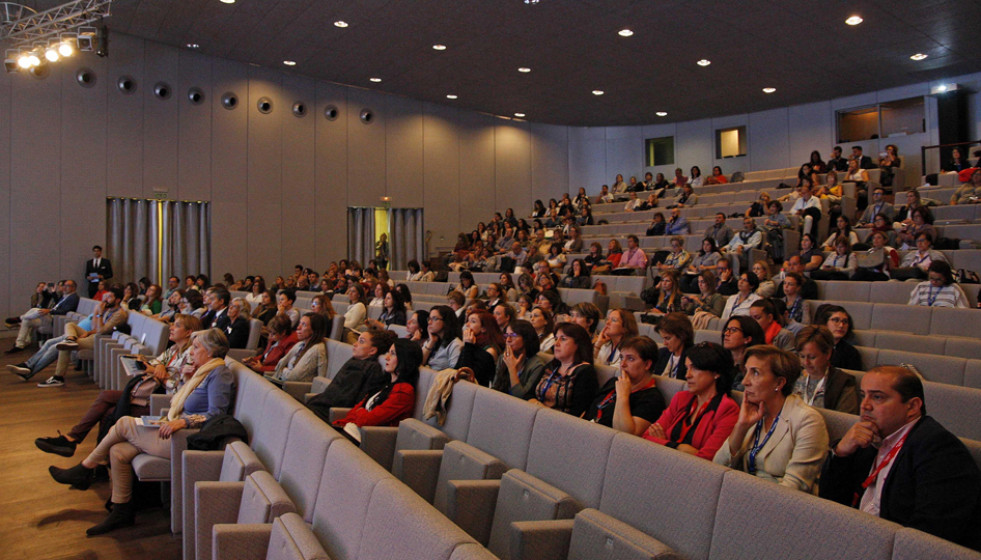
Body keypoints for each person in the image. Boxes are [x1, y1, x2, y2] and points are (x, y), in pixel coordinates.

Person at [48, 328, 234, 535]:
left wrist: (185, 422)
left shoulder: (220, 373)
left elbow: (217, 414)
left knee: (124, 423)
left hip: (189, 440)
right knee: (118, 451)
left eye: (197, 347)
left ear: (210, 351)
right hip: (173, 430)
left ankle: (86, 468)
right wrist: (184, 379)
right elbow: (181, 400)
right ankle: (122, 511)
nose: (191, 352)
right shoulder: (202, 372)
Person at [819, 366, 981, 548]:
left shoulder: (940, 451)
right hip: (857, 538)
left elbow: (928, 540)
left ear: (912, 407)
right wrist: (841, 453)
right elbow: (831, 502)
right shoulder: (869, 437)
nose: (865, 405)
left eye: (877, 397)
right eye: (863, 395)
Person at [34, 314, 202, 458]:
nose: (171, 327)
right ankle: (87, 452)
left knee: (107, 401)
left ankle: (76, 442)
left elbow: (179, 387)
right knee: (107, 407)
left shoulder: (190, 357)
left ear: (188, 332)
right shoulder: (173, 349)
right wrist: (156, 367)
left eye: (177, 326)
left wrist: (159, 373)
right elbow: (154, 363)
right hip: (149, 394)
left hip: (161, 401)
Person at [714, 345, 829, 493]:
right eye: (746, 372)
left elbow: (793, 489)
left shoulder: (808, 421)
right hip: (741, 496)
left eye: (755, 373)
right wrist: (741, 426)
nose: (744, 382)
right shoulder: (754, 412)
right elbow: (717, 468)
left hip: (777, 507)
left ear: (779, 383)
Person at [8, 285, 129, 387]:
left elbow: (102, 331)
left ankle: (55, 376)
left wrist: (99, 314)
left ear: (117, 300)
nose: (106, 299)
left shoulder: (119, 314)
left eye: (110, 297)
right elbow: (95, 327)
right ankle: (29, 364)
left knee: (59, 346)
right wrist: (91, 328)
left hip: (100, 340)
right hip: (94, 335)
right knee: (60, 333)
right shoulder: (109, 309)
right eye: (106, 296)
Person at [644, 341, 739, 460]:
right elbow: (647, 436)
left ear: (716, 373)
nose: (687, 375)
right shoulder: (681, 398)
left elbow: (708, 459)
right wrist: (678, 447)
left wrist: (663, 443)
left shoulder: (727, 409)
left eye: (694, 368)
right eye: (687, 368)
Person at [306, 329, 397, 422]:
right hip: (322, 405)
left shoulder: (372, 368)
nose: (355, 344)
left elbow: (357, 401)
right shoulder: (353, 360)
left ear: (372, 350)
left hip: (331, 413)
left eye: (361, 342)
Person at [332, 338, 422, 433]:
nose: (386, 357)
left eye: (393, 354)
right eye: (388, 352)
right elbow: (353, 412)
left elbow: (367, 421)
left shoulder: (404, 391)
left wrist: (360, 412)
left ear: (405, 359)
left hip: (369, 438)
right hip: (350, 428)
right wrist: (361, 413)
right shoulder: (384, 383)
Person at [584, 336, 665, 435]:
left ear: (647, 364)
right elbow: (588, 412)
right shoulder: (614, 382)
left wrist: (622, 397)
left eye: (630, 359)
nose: (622, 364)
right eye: (621, 357)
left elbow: (625, 436)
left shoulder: (652, 399)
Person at [528, 322, 598, 417]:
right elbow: (529, 395)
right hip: (537, 416)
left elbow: (578, 413)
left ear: (578, 344)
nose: (556, 344)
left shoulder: (585, 372)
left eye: (563, 339)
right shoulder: (552, 366)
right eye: (556, 339)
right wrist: (539, 408)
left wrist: (543, 412)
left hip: (561, 424)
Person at [793, 325, 858, 414]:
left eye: (812, 357)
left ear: (828, 353)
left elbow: (843, 421)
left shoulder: (843, 383)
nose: (806, 362)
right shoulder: (794, 376)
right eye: (802, 356)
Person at [6, 279, 79, 353]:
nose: (64, 287)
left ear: (73, 287)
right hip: (49, 318)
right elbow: (54, 302)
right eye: (64, 285)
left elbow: (66, 311)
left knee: (38, 310)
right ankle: (19, 345)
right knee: (27, 321)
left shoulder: (73, 298)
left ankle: (20, 318)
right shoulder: (65, 296)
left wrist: (49, 310)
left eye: (67, 286)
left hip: (55, 320)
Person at [492, 319, 547, 400]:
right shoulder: (503, 358)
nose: (508, 340)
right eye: (506, 335)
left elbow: (522, 398)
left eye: (513, 335)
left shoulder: (537, 365)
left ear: (526, 338)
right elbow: (495, 388)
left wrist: (512, 369)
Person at [267, 313, 328, 384]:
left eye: (304, 325)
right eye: (300, 323)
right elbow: (279, 366)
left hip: (296, 390)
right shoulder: (300, 344)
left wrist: (283, 370)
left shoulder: (317, 348)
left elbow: (293, 377)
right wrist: (283, 370)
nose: (298, 327)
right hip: (284, 384)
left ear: (314, 330)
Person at [456, 310, 505, 386]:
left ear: (483, 328)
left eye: (473, 322)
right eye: (467, 321)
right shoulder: (472, 343)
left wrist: (468, 346)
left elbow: (469, 376)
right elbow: (457, 369)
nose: (467, 324)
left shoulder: (490, 350)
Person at [814, 305, 863, 371]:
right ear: (825, 323)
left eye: (845, 322)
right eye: (836, 320)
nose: (841, 325)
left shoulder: (851, 353)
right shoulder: (812, 345)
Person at [721, 315, 765, 383]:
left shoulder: (753, 366)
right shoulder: (720, 360)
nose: (726, 334)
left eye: (733, 330)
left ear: (747, 339)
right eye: (726, 330)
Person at [421, 305, 464, 370]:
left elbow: (454, 373)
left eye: (435, 319)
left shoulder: (455, 344)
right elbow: (419, 362)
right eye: (429, 319)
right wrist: (431, 342)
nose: (429, 322)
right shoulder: (431, 339)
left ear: (446, 321)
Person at [653, 312, 694, 380]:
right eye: (663, 338)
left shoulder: (692, 358)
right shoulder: (661, 353)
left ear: (682, 335)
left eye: (668, 338)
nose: (664, 343)